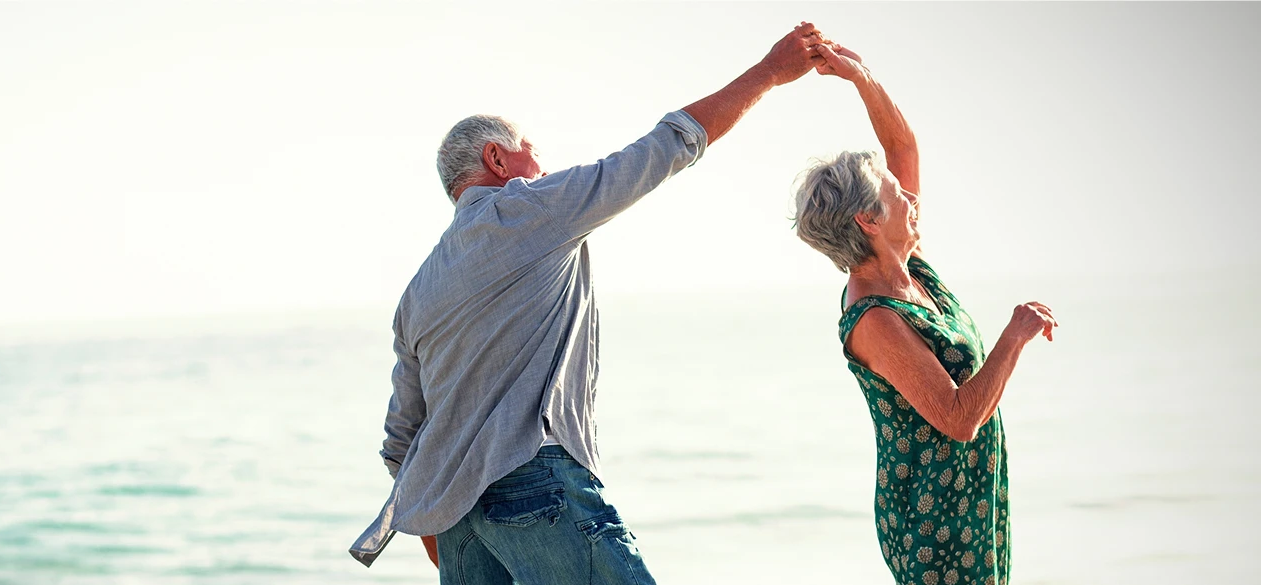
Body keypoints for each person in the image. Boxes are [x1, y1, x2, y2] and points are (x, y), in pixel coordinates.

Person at [348, 22, 831, 583]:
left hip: (455, 520)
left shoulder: (417, 291)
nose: (545, 170)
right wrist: (771, 71)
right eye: (533, 154)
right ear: (497, 161)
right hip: (534, 483)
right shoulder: (529, 209)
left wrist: (442, 534)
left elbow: (400, 438)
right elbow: (664, 148)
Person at [792, 41, 1057, 585]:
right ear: (869, 219)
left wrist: (861, 77)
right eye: (897, 195)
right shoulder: (874, 317)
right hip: (933, 515)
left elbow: (902, 147)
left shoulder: (908, 266)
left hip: (971, 499)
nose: (910, 199)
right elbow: (959, 420)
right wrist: (1014, 335)